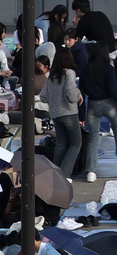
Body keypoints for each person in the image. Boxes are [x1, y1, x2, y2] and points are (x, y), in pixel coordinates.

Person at [43, 47, 83, 176]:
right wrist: (78, 93)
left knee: (61, 143)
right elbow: (71, 95)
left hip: (55, 113)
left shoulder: (51, 76)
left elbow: (43, 96)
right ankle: (64, 174)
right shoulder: (70, 73)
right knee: (76, 144)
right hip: (69, 113)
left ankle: (55, 173)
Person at [82, 40, 117, 182]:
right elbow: (114, 90)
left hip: (92, 104)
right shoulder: (108, 69)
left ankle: (91, 171)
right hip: (109, 104)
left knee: (93, 139)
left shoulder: (85, 69)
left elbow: (82, 92)